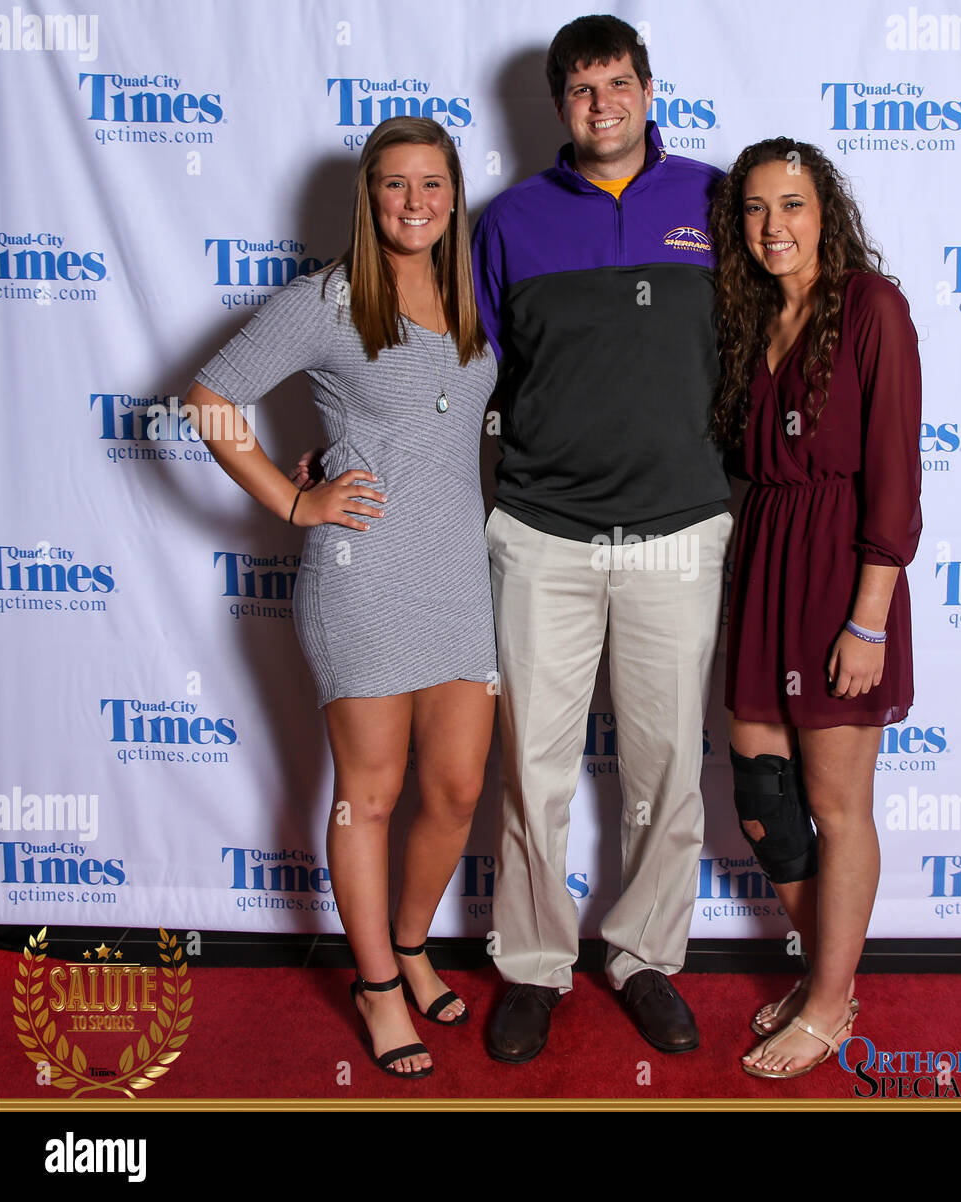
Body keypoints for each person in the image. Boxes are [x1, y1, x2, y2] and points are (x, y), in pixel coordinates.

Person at [184, 117, 496, 1078]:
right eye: (396, 185)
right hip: (361, 579)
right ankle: (374, 987)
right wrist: (293, 497)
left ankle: (410, 944)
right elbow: (208, 398)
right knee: (371, 794)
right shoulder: (327, 297)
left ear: (453, 195)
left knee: (455, 790)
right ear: (370, 197)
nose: (416, 202)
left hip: (457, 574)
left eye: (433, 184)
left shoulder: (473, 291)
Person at [470, 13, 732, 1062]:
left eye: (617, 83)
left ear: (648, 89)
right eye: (580, 90)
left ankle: (642, 955)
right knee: (534, 768)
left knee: (666, 767)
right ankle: (534, 963)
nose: (601, 104)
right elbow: (463, 376)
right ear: (556, 105)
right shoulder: (507, 223)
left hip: (679, 528)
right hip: (543, 530)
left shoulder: (714, 201)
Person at [709, 137, 922, 1079]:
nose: (773, 226)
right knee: (763, 793)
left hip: (842, 569)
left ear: (824, 211)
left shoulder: (873, 308)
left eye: (791, 205)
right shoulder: (751, 318)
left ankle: (830, 1001)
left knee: (837, 807)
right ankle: (833, 972)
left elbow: (895, 474)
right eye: (755, 209)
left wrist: (868, 615)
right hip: (766, 560)